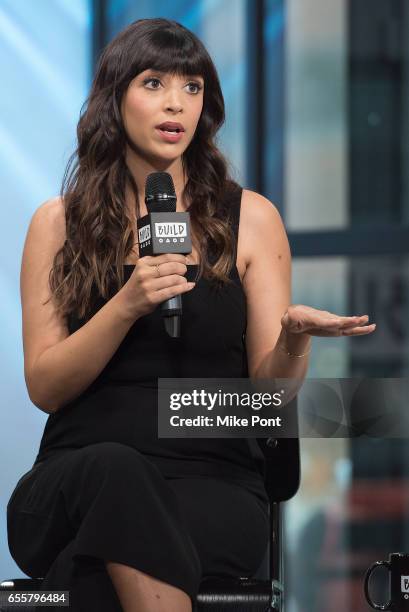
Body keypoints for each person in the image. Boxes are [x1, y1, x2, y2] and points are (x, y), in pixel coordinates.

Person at [6, 17, 376, 612]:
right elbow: (46, 386)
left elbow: (267, 397)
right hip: (75, 480)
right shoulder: (58, 223)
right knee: (116, 474)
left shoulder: (251, 219)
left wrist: (293, 340)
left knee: (96, 579)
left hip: (210, 483)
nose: (176, 104)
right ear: (114, 97)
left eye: (193, 86)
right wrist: (127, 304)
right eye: (154, 83)